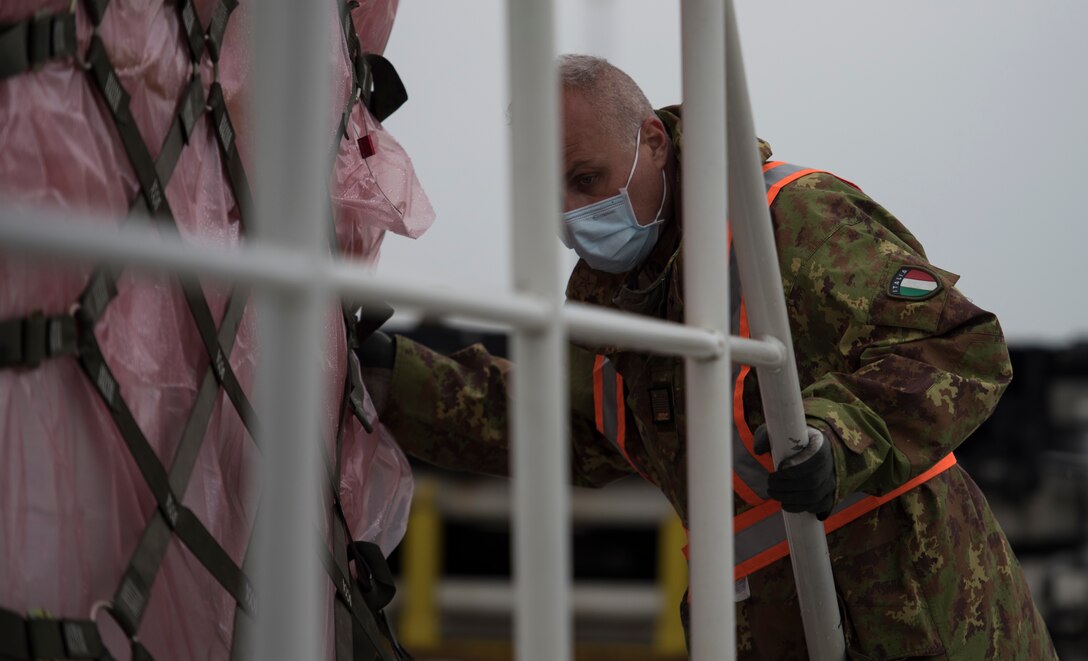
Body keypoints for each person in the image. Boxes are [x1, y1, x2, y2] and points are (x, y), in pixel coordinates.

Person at [359, 55, 1056, 659]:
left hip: (917, 618)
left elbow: (959, 347)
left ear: (654, 141)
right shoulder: (606, 310)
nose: (574, 211)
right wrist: (394, 377)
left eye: (587, 176)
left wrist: (837, 441)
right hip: (764, 628)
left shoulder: (788, 220)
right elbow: (551, 424)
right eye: (553, 193)